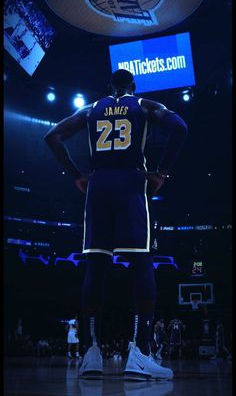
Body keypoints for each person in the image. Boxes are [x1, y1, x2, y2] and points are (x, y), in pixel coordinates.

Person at [44, 69, 187, 380]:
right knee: (141, 262)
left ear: (108, 86)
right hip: (132, 182)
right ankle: (141, 353)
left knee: (95, 267)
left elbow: (52, 136)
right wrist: (162, 172)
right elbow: (180, 127)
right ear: (133, 86)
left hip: (98, 186)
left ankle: (91, 353)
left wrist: (76, 175)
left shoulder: (90, 109)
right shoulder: (145, 105)